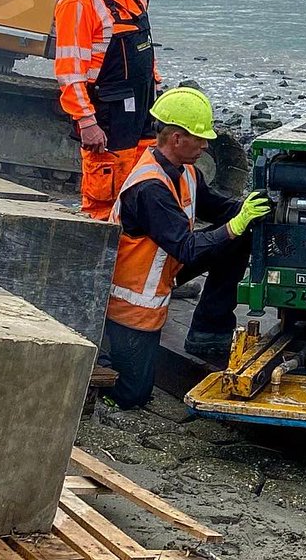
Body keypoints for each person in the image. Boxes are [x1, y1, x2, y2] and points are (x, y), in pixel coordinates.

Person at [103, 86, 271, 409]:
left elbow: (216, 208)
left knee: (238, 235)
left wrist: (247, 210)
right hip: (133, 301)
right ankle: (107, 353)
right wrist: (235, 225)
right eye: (200, 138)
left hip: (165, 275)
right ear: (177, 139)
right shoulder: (150, 189)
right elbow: (188, 248)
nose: (206, 145)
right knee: (133, 394)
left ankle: (209, 331)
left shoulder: (186, 171)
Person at [54, 0, 161, 220]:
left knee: (143, 194)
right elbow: (70, 71)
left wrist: (155, 90)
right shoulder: (79, 0)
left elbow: (145, 51)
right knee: (105, 201)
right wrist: (87, 122)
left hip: (140, 114)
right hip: (107, 117)